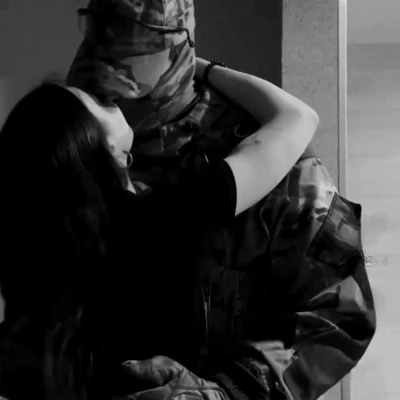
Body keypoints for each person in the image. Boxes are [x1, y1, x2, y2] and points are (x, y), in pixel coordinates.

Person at [67, 1, 376, 399]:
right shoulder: (74, 141)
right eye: (100, 31)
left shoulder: (257, 153)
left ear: (174, 44)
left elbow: (339, 315)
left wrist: (226, 392)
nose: (109, 64)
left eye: (134, 41)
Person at [0, 63, 318, 399]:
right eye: (102, 102)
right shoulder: (157, 220)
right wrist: (192, 65)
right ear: (102, 145)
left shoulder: (31, 263)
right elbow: (298, 118)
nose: (115, 99)